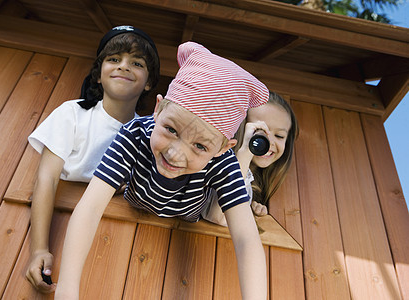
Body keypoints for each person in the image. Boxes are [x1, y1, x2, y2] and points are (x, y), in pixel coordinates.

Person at [54, 41, 270, 300]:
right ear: (157, 109)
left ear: (224, 148)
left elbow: (246, 240)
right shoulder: (134, 134)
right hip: (138, 197)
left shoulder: (224, 162)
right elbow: (89, 209)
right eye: (170, 130)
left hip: (190, 211)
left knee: (221, 213)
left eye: (200, 146)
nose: (176, 153)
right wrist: (66, 291)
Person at [25, 25, 160, 293]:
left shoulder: (150, 134)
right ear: (98, 75)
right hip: (62, 231)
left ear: (148, 82)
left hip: (123, 248)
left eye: (136, 62)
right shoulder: (72, 114)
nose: (124, 66)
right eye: (114, 59)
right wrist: (40, 248)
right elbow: (47, 178)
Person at [202, 92, 299, 226]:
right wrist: (245, 152)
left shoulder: (256, 183)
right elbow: (217, 216)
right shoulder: (216, 164)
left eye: (279, 136)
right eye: (259, 131)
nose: (269, 142)